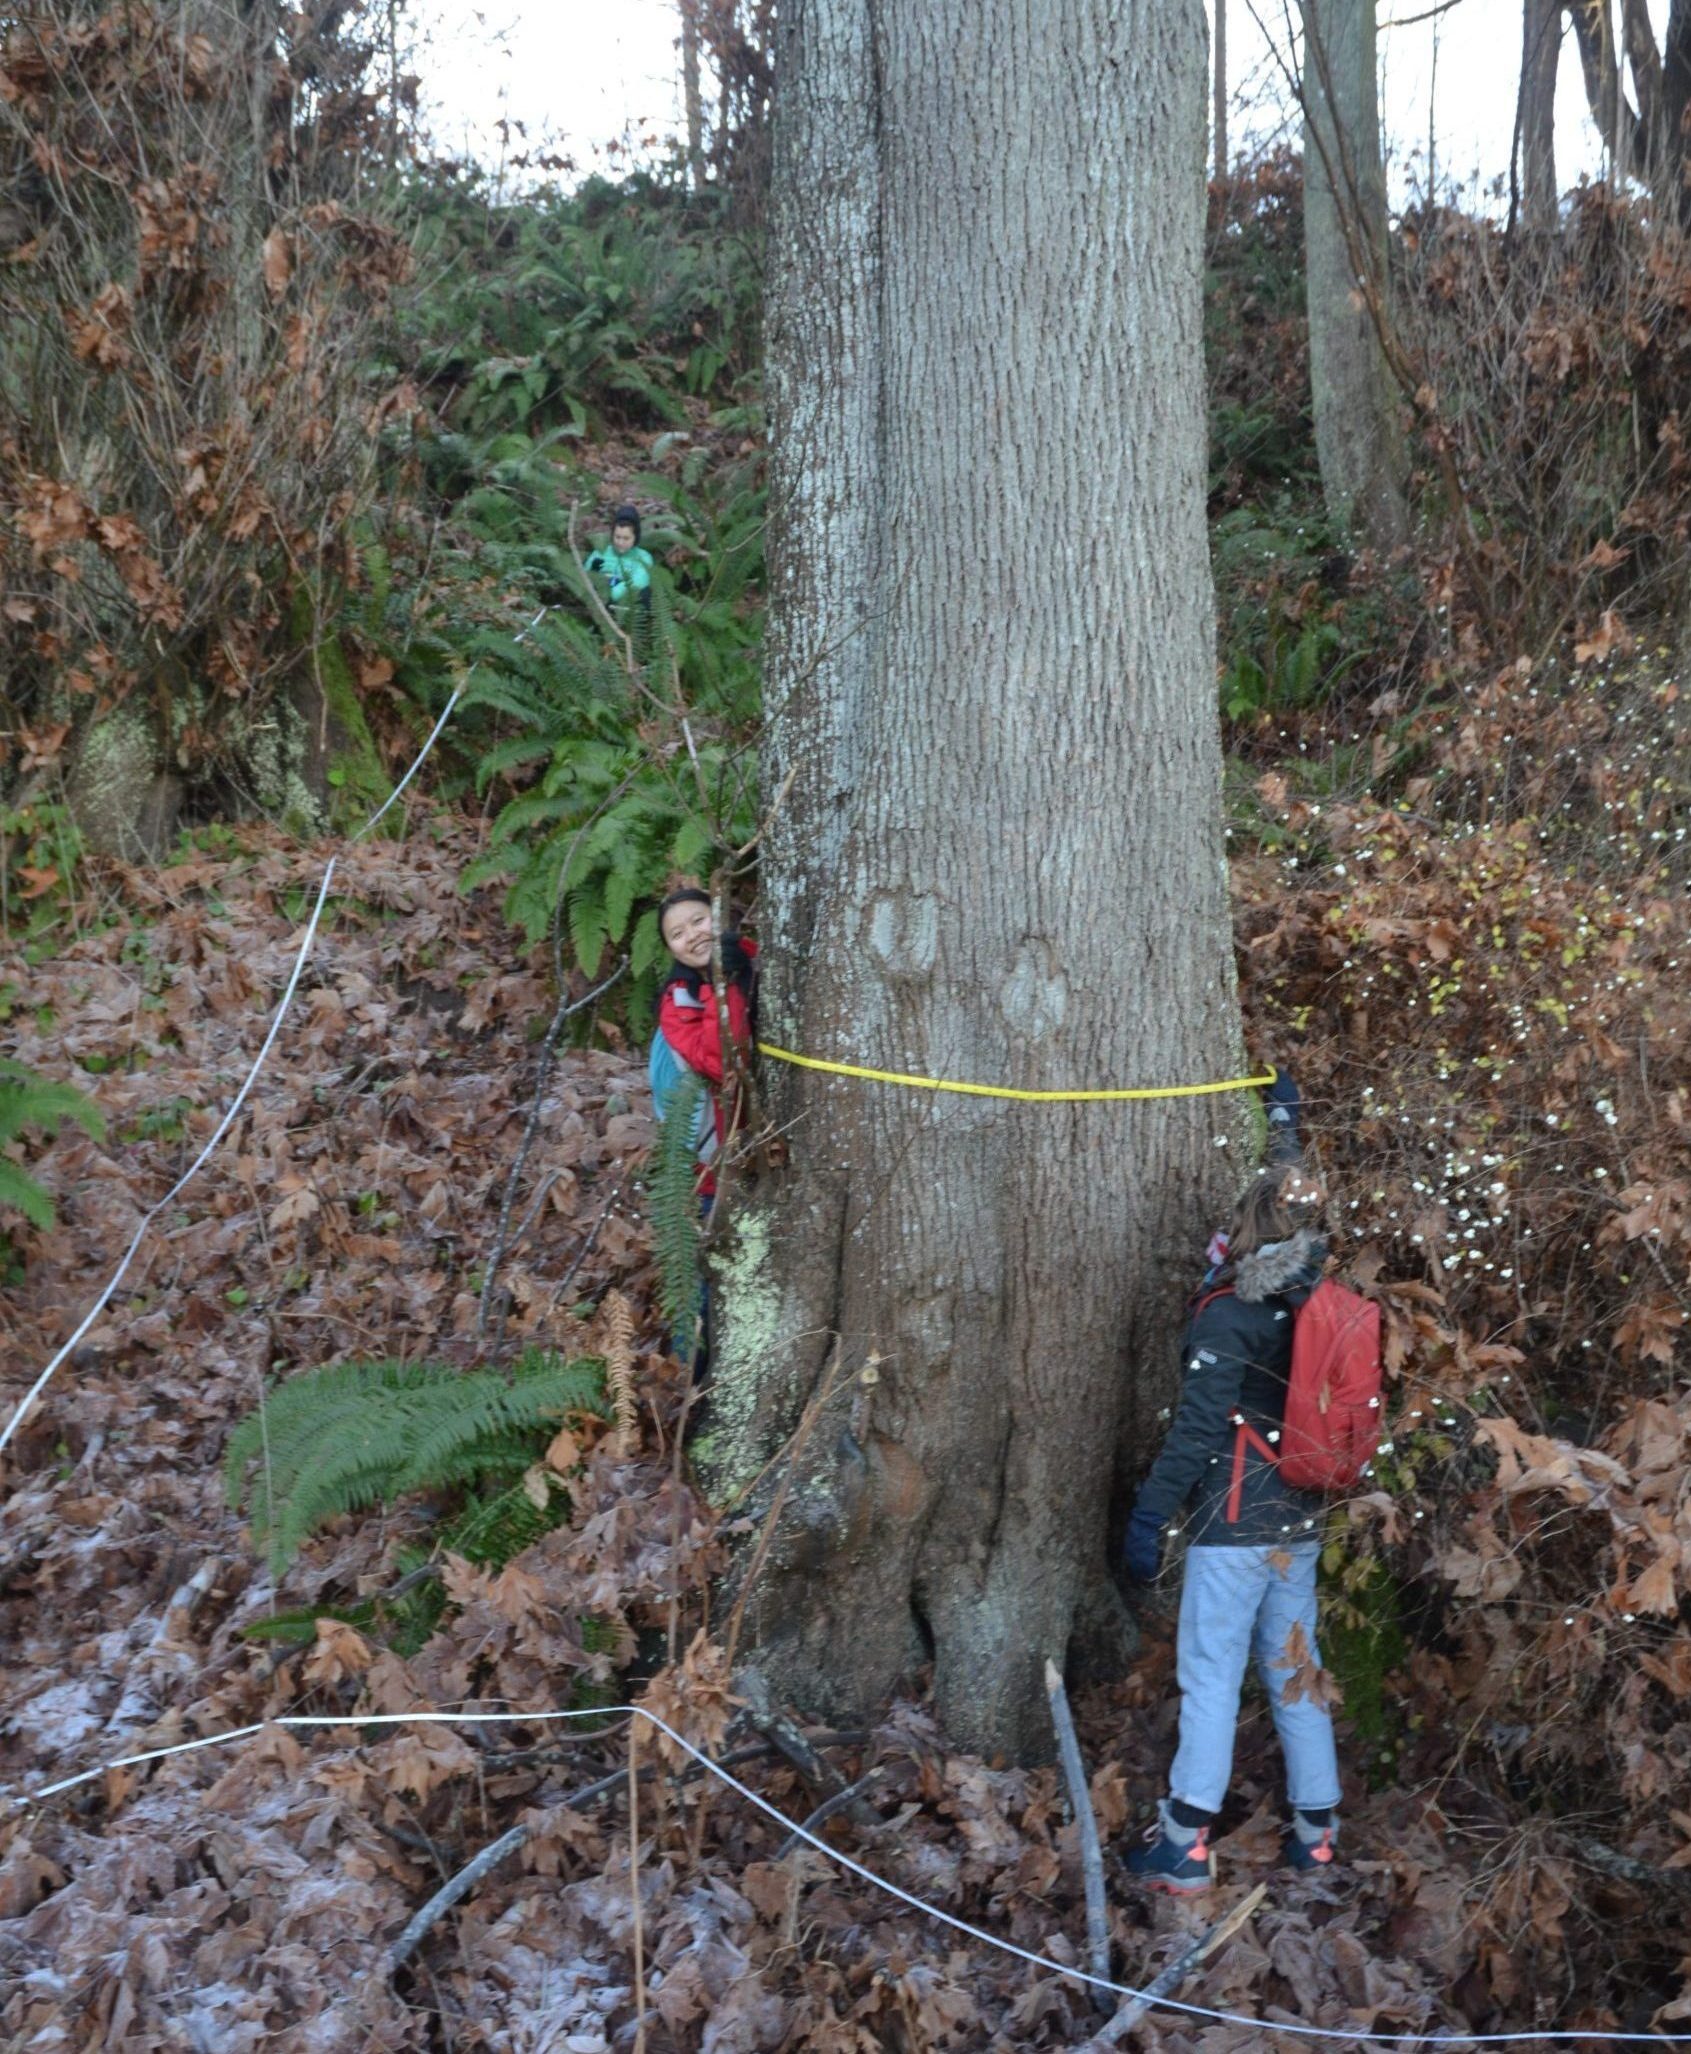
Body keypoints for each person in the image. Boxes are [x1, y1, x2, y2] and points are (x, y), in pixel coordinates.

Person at [1122, 1090, 1343, 1895]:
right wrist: (1284, 1121)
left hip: (1235, 1525)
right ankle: (1316, 1835)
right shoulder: (1319, 1296)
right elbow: (1285, 1184)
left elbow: (1193, 1431)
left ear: (1241, 1237)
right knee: (1296, 1672)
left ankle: (1183, 1844)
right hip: (1304, 1520)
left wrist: (1149, 1516)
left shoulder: (1230, 1315)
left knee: (1210, 1674)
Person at [648, 887, 757, 1366]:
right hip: (716, 1162)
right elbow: (721, 1061)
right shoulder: (679, 1002)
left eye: (698, 921)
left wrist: (734, 971)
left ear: (718, 915)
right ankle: (686, 1380)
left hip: (763, 1145)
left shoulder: (750, 958)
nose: (692, 935)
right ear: (670, 949)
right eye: (677, 933)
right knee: (707, 1276)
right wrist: (724, 986)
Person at [585, 504, 654, 608]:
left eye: (626, 538)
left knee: (645, 593)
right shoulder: (601, 551)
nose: (620, 543)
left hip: (626, 602)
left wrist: (612, 594)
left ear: (635, 537)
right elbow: (585, 574)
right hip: (599, 599)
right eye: (617, 537)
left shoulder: (643, 557)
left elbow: (640, 580)